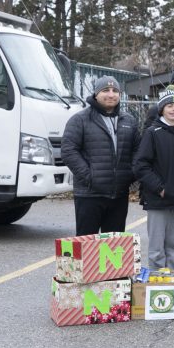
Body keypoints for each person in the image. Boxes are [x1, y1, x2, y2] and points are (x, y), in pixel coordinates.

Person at [61, 76, 141, 235]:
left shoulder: (129, 121)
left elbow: (138, 151)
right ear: (96, 94)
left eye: (115, 91)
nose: (111, 94)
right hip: (89, 195)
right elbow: (69, 151)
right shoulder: (80, 120)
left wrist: (129, 174)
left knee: (114, 245)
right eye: (105, 90)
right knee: (86, 243)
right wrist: (90, 177)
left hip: (119, 195)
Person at [133, 89, 174, 271]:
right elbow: (140, 165)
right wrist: (159, 188)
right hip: (158, 200)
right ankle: (156, 281)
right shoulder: (152, 133)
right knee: (157, 249)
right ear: (161, 109)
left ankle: (173, 281)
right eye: (170, 106)